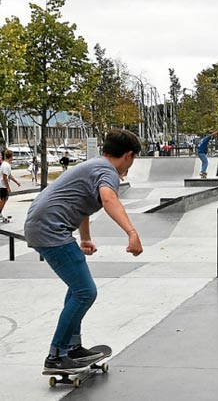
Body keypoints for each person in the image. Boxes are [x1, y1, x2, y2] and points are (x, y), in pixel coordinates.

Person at [24, 129, 143, 372]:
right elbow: (109, 199)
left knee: (77, 289)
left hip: (44, 226)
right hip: (51, 230)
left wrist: (85, 237)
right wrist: (131, 232)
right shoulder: (107, 171)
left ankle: (72, 347)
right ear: (128, 155)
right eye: (132, 161)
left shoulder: (94, 165)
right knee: (85, 292)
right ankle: (57, 355)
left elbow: (81, 205)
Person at [0, 150, 22, 221]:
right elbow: (5, 177)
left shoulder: (5, 164)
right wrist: (8, 187)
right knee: (3, 199)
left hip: (2, 185)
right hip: (3, 186)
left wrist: (16, 182)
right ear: (11, 157)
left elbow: (9, 175)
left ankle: (0, 212)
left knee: (5, 199)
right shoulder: (6, 165)